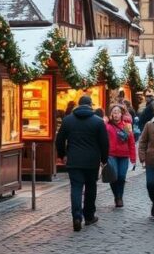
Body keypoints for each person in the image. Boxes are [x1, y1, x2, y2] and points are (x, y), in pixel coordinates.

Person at [54, 95, 109, 232]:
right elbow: (104, 143)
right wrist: (104, 159)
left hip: (74, 160)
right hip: (92, 161)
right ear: (90, 105)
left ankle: (76, 217)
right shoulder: (98, 122)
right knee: (91, 187)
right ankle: (89, 216)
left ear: (78, 105)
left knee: (76, 188)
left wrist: (62, 155)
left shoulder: (68, 120)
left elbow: (59, 140)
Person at [104, 103, 135, 208]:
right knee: (113, 176)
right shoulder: (107, 126)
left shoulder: (126, 126)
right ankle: (117, 197)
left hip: (124, 155)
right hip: (111, 154)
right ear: (111, 114)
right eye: (114, 112)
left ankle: (120, 196)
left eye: (118, 112)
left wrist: (133, 158)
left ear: (121, 114)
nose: (116, 114)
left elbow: (131, 142)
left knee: (121, 177)